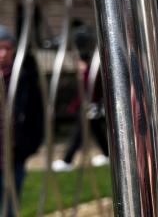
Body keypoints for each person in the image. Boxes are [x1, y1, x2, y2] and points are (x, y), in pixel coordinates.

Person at [52, 26, 108, 172]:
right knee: (96, 132)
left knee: (79, 135)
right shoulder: (89, 73)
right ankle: (107, 154)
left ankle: (67, 161)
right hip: (91, 107)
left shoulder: (88, 74)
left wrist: (74, 106)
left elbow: (86, 93)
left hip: (89, 107)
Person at [0, 25, 44, 206]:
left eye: (7, 48)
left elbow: (37, 114)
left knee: (10, 207)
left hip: (14, 156)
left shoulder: (25, 77)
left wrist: (28, 147)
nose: (3, 53)